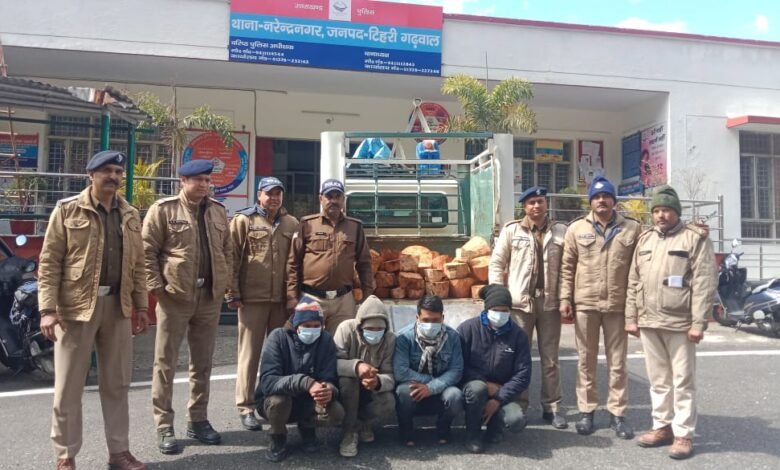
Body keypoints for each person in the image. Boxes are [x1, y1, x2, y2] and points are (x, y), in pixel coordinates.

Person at [38, 150, 148, 470]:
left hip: (118, 305)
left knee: (117, 384)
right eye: (107, 171)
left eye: (118, 172)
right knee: (69, 386)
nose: (113, 176)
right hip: (75, 308)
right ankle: (65, 455)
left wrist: (141, 305)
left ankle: (119, 452)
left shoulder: (130, 214)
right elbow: (49, 262)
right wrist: (47, 309)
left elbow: (138, 265)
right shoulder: (67, 209)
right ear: (91, 175)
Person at [143, 159, 233, 454]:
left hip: (209, 297)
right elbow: (147, 252)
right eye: (198, 180)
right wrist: (158, 289)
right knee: (165, 363)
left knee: (202, 363)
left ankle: (198, 419)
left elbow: (227, 250)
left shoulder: (217, 211)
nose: (204, 185)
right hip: (174, 297)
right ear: (183, 181)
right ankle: (164, 425)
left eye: (207, 180)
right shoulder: (164, 210)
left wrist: (224, 283)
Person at [626, 185, 716, 460]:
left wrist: (698, 323)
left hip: (680, 322)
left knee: (683, 381)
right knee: (658, 380)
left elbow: (704, 283)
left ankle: (683, 434)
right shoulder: (645, 239)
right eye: (656, 211)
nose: (661, 215)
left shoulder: (694, 238)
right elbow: (633, 280)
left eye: (666, 210)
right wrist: (631, 317)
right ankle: (661, 426)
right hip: (649, 321)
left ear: (676, 212)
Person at [559, 176, 641, 438]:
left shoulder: (632, 229)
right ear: (591, 202)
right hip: (586, 304)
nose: (601, 200)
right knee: (586, 361)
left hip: (618, 305)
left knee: (618, 363)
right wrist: (565, 299)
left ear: (614, 201)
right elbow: (567, 267)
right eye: (596, 197)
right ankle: (587, 412)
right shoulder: (576, 229)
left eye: (606, 196)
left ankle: (618, 414)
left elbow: (641, 265)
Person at [488, 186, 568, 429]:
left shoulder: (561, 230)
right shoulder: (512, 230)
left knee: (550, 358)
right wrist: (497, 297)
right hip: (519, 304)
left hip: (549, 303)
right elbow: (497, 263)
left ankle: (553, 407)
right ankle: (519, 406)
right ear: (524, 206)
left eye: (540, 201)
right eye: (531, 202)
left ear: (546, 203)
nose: (536, 206)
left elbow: (568, 267)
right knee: (518, 357)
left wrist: (566, 298)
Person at [227, 176, 299, 431]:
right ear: (259, 195)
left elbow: (296, 263)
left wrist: (294, 296)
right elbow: (232, 257)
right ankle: (246, 406)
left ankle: (273, 401)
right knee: (249, 354)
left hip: (281, 301)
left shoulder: (292, 224)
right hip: (252, 299)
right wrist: (232, 292)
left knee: (280, 354)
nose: (274, 198)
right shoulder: (244, 221)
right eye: (269, 193)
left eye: (278, 193)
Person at [256, 299, 345, 463]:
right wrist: (306, 382)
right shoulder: (278, 337)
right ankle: (277, 435)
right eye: (307, 325)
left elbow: (330, 377)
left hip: (307, 400)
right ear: (296, 325)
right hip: (276, 400)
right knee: (279, 401)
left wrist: (328, 390)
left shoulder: (325, 340)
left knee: (336, 411)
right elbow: (268, 382)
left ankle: (308, 427)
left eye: (316, 325)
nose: (312, 330)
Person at [287, 178, 375, 334]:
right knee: (309, 342)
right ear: (320, 198)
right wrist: (292, 296)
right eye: (329, 196)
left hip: (343, 300)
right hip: (312, 297)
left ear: (343, 199)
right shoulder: (307, 224)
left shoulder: (355, 227)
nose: (333, 200)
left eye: (337, 196)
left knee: (341, 343)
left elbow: (364, 263)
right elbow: (293, 262)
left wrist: (368, 295)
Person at [457, 285, 531, 454]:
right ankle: (473, 434)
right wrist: (484, 383)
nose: (500, 314)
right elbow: (458, 365)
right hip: (474, 387)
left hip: (502, 391)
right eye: (496, 310)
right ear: (487, 309)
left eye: (505, 311)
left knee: (516, 420)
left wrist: (498, 398)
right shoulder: (468, 329)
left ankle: (495, 427)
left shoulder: (519, 335)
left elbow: (523, 374)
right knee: (477, 389)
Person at [393, 295, 463, 447]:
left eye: (435, 320)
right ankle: (406, 429)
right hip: (415, 387)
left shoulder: (453, 337)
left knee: (455, 396)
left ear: (443, 318)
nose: (430, 325)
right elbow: (400, 371)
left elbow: (456, 370)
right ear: (417, 318)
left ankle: (443, 427)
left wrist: (432, 387)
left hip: (442, 387)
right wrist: (428, 383)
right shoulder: (403, 338)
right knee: (403, 392)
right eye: (426, 320)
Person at [333, 295, 396, 457]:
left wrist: (378, 382)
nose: (375, 333)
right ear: (360, 326)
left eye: (379, 329)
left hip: (370, 390)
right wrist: (356, 366)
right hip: (346, 388)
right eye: (370, 329)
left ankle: (360, 422)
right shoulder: (346, 329)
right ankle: (349, 432)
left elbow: (390, 375)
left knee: (388, 402)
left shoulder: (390, 339)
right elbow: (333, 364)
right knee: (348, 379)